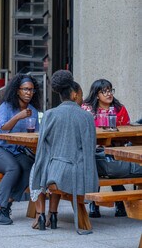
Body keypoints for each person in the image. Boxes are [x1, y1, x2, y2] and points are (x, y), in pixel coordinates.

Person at [29, 71, 98, 231]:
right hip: (76, 173)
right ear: (74, 95)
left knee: (36, 168)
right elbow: (89, 152)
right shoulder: (86, 117)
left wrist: (41, 175)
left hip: (52, 172)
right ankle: (53, 213)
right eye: (81, 95)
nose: (82, 98)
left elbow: (42, 150)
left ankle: (41, 214)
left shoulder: (49, 114)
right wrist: (91, 184)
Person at [0, 74, 41, 226]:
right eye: (25, 89)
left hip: (16, 151)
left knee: (30, 167)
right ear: (17, 91)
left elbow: (36, 133)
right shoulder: (6, 107)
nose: (29, 93)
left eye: (31, 90)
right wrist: (18, 117)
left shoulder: (32, 111)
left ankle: (6, 204)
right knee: (13, 168)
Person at [81, 79, 131, 218]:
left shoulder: (119, 109)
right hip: (92, 149)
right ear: (97, 95)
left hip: (115, 148)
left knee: (111, 160)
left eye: (110, 90)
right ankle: (94, 204)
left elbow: (126, 131)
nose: (109, 94)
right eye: (104, 91)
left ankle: (119, 203)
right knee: (95, 163)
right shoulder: (87, 109)